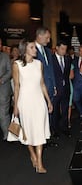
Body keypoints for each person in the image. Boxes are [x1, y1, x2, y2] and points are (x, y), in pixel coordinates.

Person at [9, 39, 53, 174]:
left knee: (39, 131)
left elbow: (42, 84)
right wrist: (15, 106)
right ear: (25, 49)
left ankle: (39, 163)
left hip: (39, 101)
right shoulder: (17, 65)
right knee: (28, 131)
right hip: (25, 102)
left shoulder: (39, 64)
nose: (35, 50)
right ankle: (32, 154)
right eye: (32, 47)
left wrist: (49, 101)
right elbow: (16, 87)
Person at [35, 27, 57, 147]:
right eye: (47, 37)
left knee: (48, 113)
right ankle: (39, 140)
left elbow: (51, 70)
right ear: (40, 36)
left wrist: (53, 86)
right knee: (39, 114)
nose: (49, 40)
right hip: (38, 89)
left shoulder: (48, 51)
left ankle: (46, 138)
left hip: (49, 87)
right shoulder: (31, 50)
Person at [51, 40, 71, 137]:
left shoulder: (67, 59)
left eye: (65, 49)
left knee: (65, 109)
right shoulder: (51, 59)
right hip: (56, 89)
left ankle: (64, 128)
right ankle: (55, 130)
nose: (64, 51)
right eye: (62, 49)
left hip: (66, 88)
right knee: (55, 110)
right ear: (57, 48)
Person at [0, 39, 12, 140]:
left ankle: (7, 134)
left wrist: (1, 80)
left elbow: (10, 71)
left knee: (3, 113)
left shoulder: (5, 56)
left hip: (3, 89)